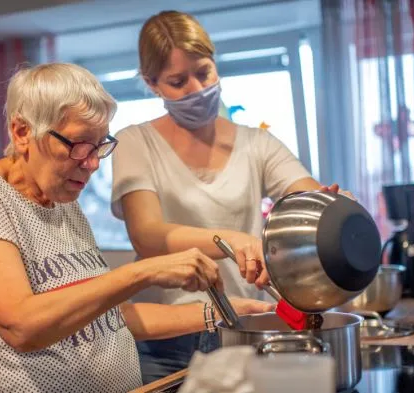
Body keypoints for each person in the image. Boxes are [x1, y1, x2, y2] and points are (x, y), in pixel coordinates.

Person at [0, 63, 272, 393]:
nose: (93, 163)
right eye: (79, 144)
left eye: (100, 145)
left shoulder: (65, 202)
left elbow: (109, 318)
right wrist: (144, 273)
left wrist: (220, 312)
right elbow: (20, 324)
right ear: (22, 132)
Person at [111, 10, 353, 384]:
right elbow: (147, 234)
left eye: (203, 72)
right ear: (152, 83)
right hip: (171, 338)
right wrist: (231, 241)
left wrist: (329, 207)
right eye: (177, 81)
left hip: (250, 326)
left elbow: (305, 195)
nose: (196, 88)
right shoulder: (135, 143)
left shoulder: (257, 144)